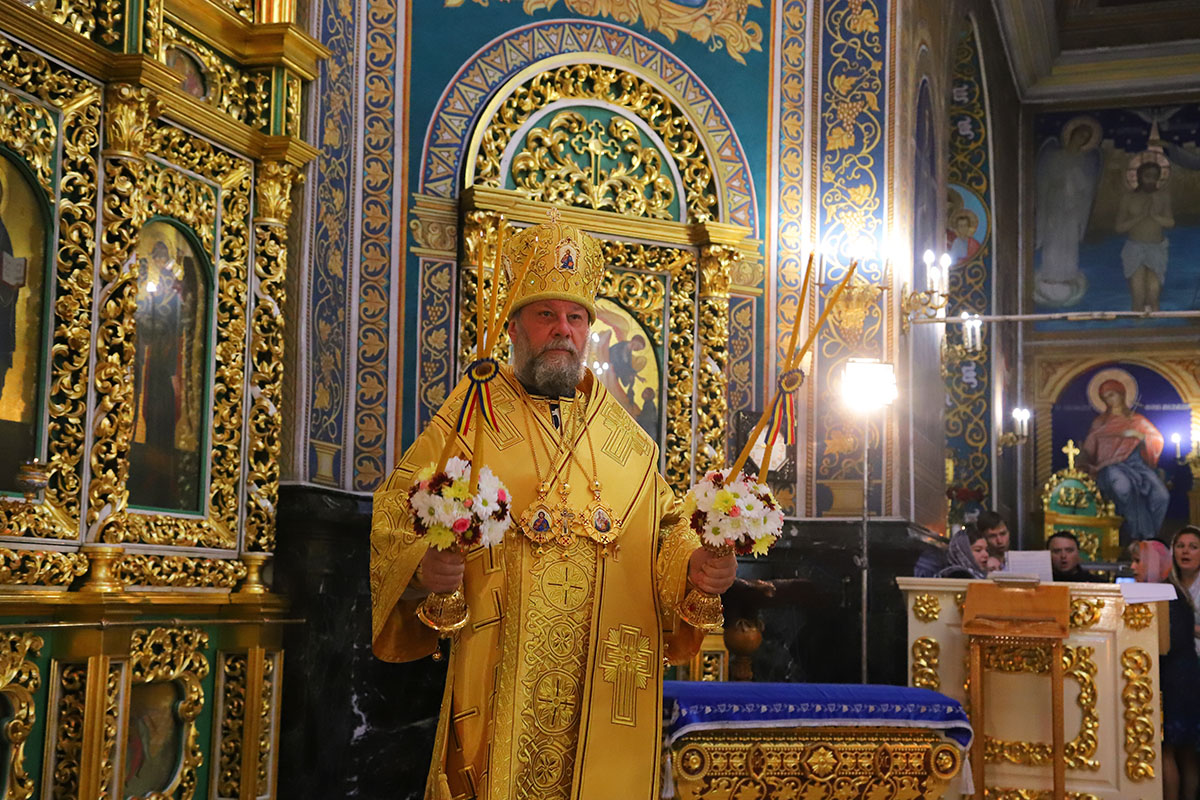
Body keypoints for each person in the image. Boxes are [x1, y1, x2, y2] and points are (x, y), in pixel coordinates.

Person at [370, 215, 738, 800]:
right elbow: (399, 507)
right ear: (514, 327)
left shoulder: (624, 439)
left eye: (575, 317)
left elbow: (669, 525)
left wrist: (698, 564)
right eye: (546, 314)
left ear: (590, 330)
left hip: (606, 677)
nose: (562, 330)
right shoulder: (474, 413)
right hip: (500, 676)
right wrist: (423, 565)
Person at [1133, 536, 1200, 800]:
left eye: (1138, 561)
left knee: (1166, 750)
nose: (1134, 567)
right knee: (1186, 752)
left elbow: (1165, 643)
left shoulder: (1162, 594)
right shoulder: (1175, 590)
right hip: (1185, 676)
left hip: (1172, 680)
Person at [1080, 379, 1169, 542]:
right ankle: (1133, 535)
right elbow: (1089, 449)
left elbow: (1157, 439)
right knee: (1123, 487)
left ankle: (1150, 538)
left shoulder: (1137, 420)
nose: (1109, 400)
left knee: (1161, 495)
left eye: (1112, 395)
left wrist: (1138, 435)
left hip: (1137, 466)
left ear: (1122, 394)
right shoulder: (1100, 422)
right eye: (1105, 397)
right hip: (1110, 466)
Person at [1115, 159, 1173, 312]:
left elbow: (1170, 223)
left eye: (1155, 177)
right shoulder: (1128, 198)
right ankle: (1136, 325)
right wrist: (1139, 217)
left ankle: (1157, 325)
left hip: (1156, 248)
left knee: (1153, 295)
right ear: (1140, 177)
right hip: (1135, 247)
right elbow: (1119, 228)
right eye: (1147, 176)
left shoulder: (1163, 196)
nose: (1151, 180)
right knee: (1138, 296)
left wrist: (1155, 216)